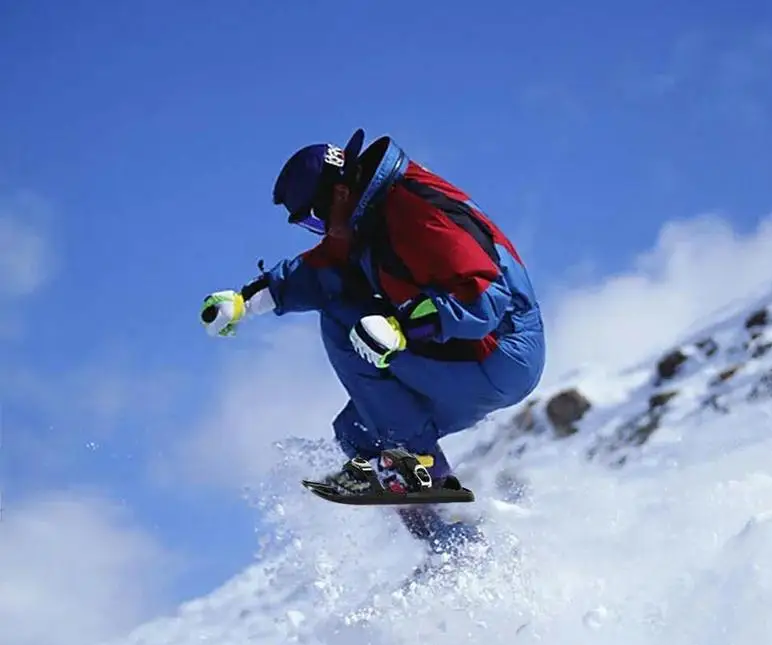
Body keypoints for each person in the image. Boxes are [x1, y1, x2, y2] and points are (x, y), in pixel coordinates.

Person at [200, 128, 545, 506]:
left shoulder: (414, 208)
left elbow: (484, 295)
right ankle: (456, 548)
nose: (323, 231)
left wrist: (405, 327)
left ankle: (415, 462)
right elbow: (321, 268)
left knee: (344, 321)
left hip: (498, 350)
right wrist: (244, 302)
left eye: (316, 220)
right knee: (361, 437)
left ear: (341, 192)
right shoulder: (368, 216)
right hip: (468, 358)